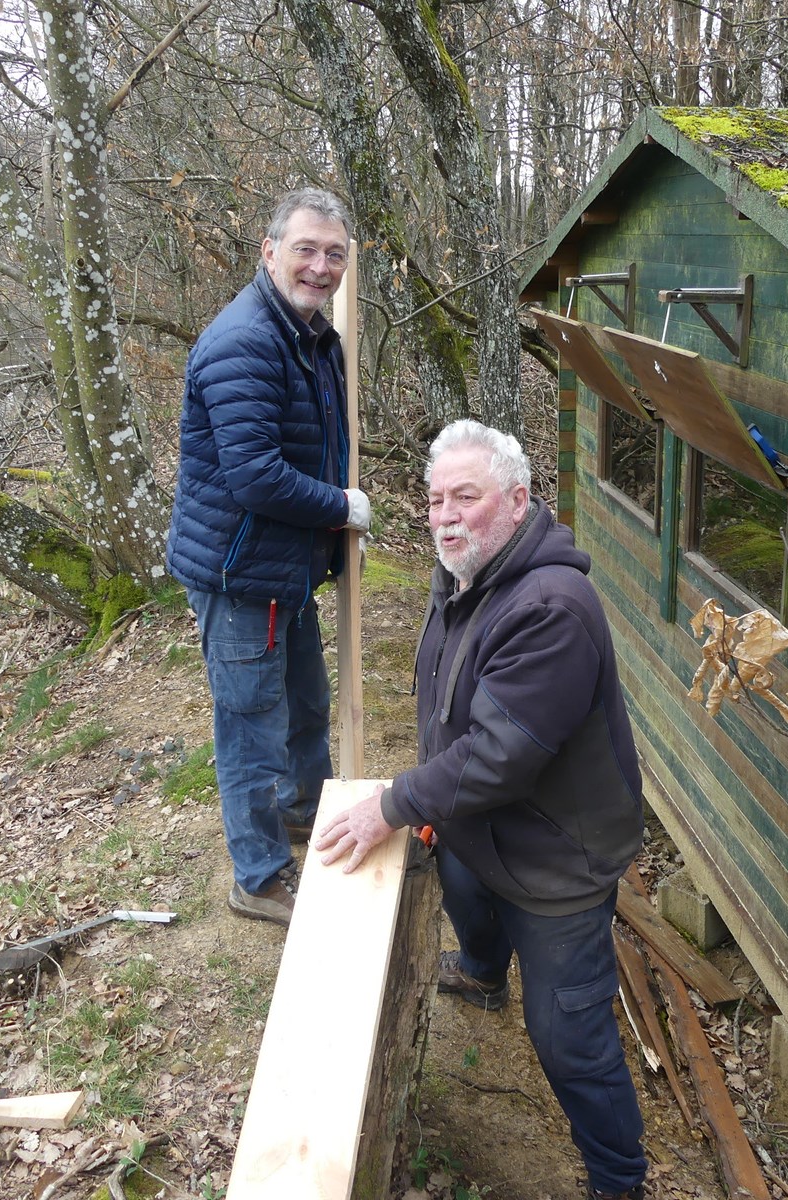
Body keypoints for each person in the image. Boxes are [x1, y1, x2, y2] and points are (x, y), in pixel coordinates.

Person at [316, 420, 648, 1200]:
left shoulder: (551, 606)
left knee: (568, 1040)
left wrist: (398, 801)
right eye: (435, 500)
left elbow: (500, 754)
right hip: (485, 827)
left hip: (558, 856)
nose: (445, 515)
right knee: (464, 890)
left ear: (518, 499)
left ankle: (619, 1180)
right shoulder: (465, 577)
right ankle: (482, 972)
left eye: (466, 496)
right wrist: (432, 800)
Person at [166, 187, 372, 929]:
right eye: (306, 251)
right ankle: (256, 876)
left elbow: (320, 441)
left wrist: (328, 537)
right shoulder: (245, 341)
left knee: (307, 706)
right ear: (270, 251)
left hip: (284, 568)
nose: (320, 267)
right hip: (240, 571)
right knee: (250, 727)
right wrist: (340, 510)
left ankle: (303, 815)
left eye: (334, 255)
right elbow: (255, 476)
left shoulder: (313, 335)